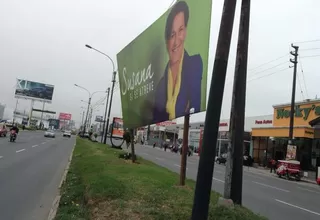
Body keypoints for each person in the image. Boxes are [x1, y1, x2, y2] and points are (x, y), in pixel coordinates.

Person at [153, 1, 203, 123]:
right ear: (166, 41)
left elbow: (194, 107)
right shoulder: (160, 86)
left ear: (185, 31)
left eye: (180, 30)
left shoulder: (195, 64)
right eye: (171, 35)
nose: (176, 41)